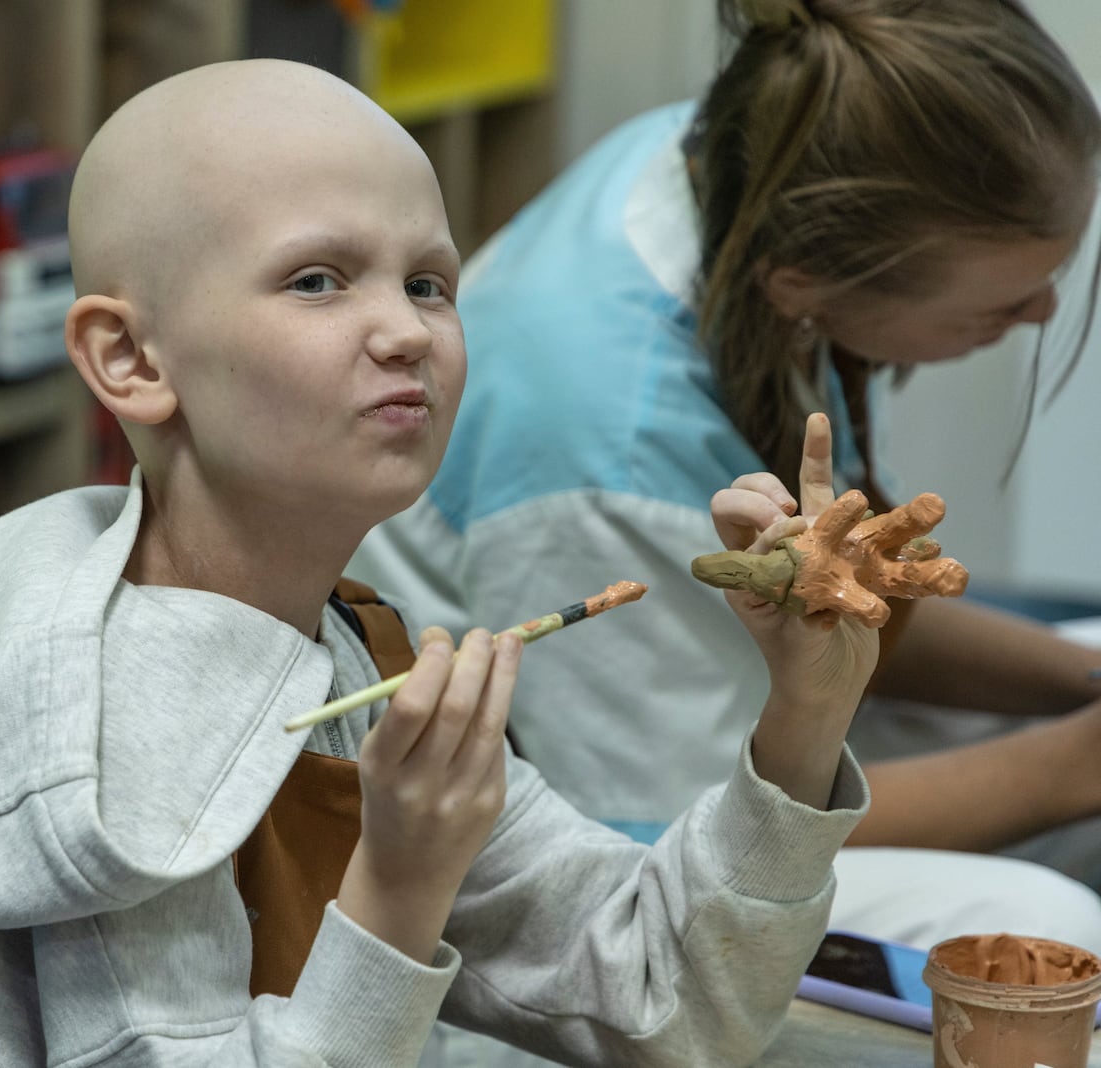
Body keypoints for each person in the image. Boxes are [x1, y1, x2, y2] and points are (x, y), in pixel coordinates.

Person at [0, 58, 879, 1066]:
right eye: (316, 280)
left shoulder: (355, 648)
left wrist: (803, 720)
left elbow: (666, 1002)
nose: (405, 331)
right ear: (129, 358)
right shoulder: (100, 750)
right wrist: (398, 890)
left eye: (428, 283)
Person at [350, 0, 1101, 962]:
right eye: (996, 307)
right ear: (804, 287)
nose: (1041, 312)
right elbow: (686, 842)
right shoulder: (608, 445)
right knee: (1046, 925)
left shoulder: (757, 155)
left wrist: (1083, 684)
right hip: (582, 843)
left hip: (705, 690)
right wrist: (1077, 766)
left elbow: (852, 609)